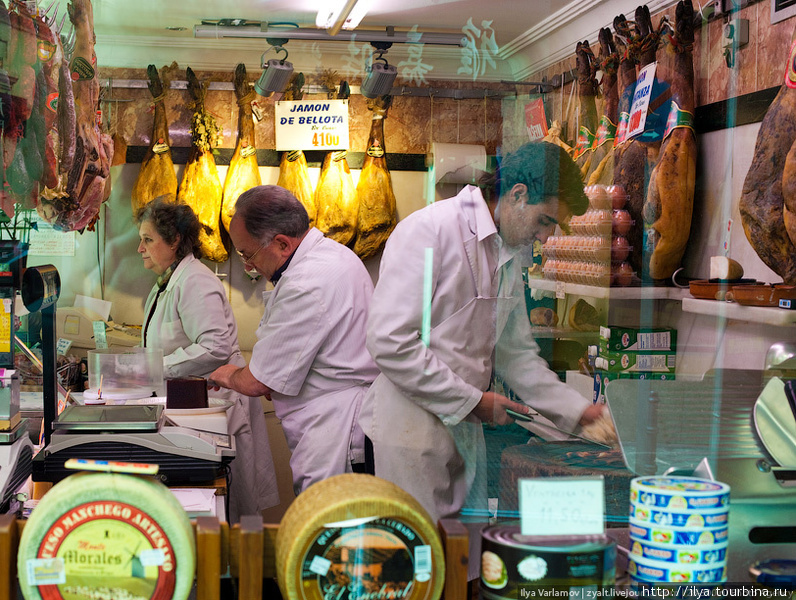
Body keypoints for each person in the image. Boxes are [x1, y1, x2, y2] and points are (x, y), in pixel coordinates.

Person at [359, 141, 604, 525]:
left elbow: (516, 354)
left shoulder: (505, 253)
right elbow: (389, 341)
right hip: (410, 433)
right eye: (545, 221)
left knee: (464, 563)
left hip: (464, 432)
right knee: (421, 567)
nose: (544, 238)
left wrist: (580, 412)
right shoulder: (430, 231)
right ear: (518, 195)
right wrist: (472, 401)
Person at [209, 185, 379, 495]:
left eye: (248, 254)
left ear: (282, 244)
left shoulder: (305, 283)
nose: (247, 266)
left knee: (328, 531)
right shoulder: (334, 256)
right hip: (337, 421)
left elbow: (256, 383)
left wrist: (223, 374)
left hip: (334, 433)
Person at [136, 197, 279, 521]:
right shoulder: (166, 284)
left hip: (219, 406)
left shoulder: (195, 282)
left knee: (228, 509)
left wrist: (153, 369)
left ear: (173, 241)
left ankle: (233, 568)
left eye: (148, 240)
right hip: (194, 407)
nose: (140, 248)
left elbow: (215, 346)